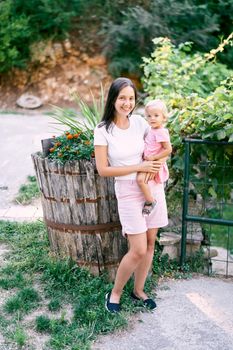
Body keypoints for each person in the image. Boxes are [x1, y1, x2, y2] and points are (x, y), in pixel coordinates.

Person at [94, 77, 169, 313]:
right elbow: (103, 169)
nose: (127, 103)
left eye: (131, 98)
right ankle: (115, 293)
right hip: (127, 191)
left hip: (151, 186)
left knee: (149, 243)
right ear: (113, 99)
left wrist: (156, 164)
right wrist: (139, 167)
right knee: (136, 248)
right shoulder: (103, 130)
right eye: (122, 98)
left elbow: (161, 144)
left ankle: (138, 290)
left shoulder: (140, 122)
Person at [137, 99, 172, 217]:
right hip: (147, 161)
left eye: (156, 115)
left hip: (152, 162)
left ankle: (150, 201)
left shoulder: (161, 132)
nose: (152, 118)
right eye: (149, 116)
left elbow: (168, 149)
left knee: (141, 180)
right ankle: (149, 199)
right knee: (143, 181)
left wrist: (154, 157)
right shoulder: (152, 130)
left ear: (164, 117)